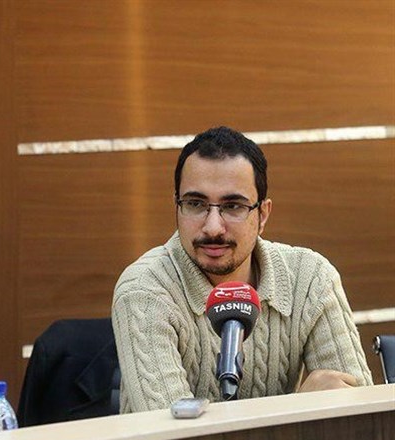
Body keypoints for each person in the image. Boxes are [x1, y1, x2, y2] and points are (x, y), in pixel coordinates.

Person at [112, 126, 373, 413]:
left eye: (233, 206)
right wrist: (298, 408)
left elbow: (361, 418)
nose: (213, 227)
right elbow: (173, 436)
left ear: (263, 215)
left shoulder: (310, 279)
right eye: (195, 204)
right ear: (176, 206)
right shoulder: (145, 291)